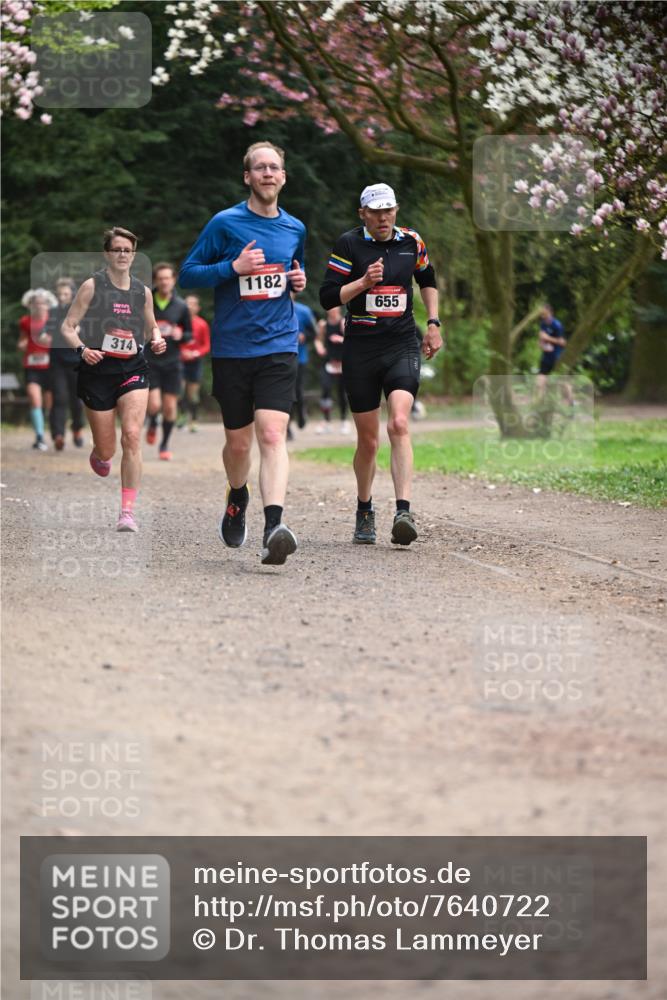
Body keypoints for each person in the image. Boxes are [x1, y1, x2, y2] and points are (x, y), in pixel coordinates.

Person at [179, 141, 306, 566]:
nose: (268, 173)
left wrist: (297, 281)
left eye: (275, 167)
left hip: (279, 345)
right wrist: (231, 269)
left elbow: (293, 271)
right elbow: (188, 274)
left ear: (283, 177)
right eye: (260, 168)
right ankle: (237, 495)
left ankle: (274, 527)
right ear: (247, 177)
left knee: (272, 434)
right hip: (233, 349)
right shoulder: (224, 224)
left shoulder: (295, 229)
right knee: (238, 444)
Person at [319, 182, 443, 546]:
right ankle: (364, 509)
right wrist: (362, 282)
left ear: (396, 211)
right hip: (361, 347)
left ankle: (404, 510)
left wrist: (433, 322)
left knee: (400, 423)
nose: (383, 217)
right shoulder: (348, 244)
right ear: (363, 214)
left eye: (389, 210)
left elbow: (427, 278)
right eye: (375, 211)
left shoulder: (411, 241)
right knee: (369, 441)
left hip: (402, 343)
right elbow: (328, 295)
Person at [60, 227, 166, 532]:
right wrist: (82, 350)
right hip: (97, 372)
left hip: (133, 368)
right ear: (107, 253)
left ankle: (127, 512)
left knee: (132, 436)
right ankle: (99, 453)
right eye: (117, 249)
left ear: (134, 255)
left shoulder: (142, 291)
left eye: (127, 250)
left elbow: (152, 327)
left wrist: (157, 340)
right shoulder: (92, 286)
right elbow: (68, 327)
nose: (122, 255)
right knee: (107, 450)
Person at [145, 263, 192, 459]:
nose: (164, 282)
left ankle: (164, 445)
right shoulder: (146, 302)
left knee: (170, 406)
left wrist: (182, 335)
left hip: (173, 362)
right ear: (156, 281)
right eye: (161, 278)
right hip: (151, 360)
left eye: (168, 278)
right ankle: (153, 421)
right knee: (154, 405)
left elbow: (189, 333)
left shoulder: (181, 306)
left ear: (173, 280)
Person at [47, 277, 85, 451]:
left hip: (77, 362)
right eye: (60, 294)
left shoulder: (80, 311)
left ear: (72, 295)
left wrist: (73, 330)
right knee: (60, 398)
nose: (62, 297)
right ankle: (58, 435)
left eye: (66, 294)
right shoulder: (53, 312)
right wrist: (43, 336)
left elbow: (77, 330)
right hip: (57, 362)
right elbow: (44, 332)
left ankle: (77, 428)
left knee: (77, 401)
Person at [18, 288, 56, 451]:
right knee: (34, 399)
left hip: (51, 367)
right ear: (30, 305)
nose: (39, 306)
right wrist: (22, 345)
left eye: (42, 303)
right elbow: (22, 340)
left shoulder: (54, 321)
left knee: (49, 403)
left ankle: (49, 425)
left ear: (48, 305)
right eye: (35, 303)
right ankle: (39, 436)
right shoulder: (25, 321)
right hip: (32, 366)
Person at [314, 306, 350, 435]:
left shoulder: (343, 323)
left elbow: (351, 340)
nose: (333, 312)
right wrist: (319, 348)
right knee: (325, 389)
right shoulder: (323, 325)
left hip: (342, 364)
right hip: (329, 363)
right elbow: (318, 340)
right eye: (331, 309)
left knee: (343, 394)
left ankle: (344, 421)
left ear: (339, 310)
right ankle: (326, 421)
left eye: (335, 309)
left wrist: (340, 339)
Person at [179, 294, 211, 432]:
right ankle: (181, 416)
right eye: (187, 303)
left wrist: (196, 353)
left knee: (193, 394)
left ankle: (194, 420)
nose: (189, 306)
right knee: (179, 390)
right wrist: (181, 352)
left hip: (195, 362)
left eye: (192, 304)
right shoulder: (178, 323)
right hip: (179, 362)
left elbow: (207, 345)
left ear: (197, 308)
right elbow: (173, 341)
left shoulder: (202, 324)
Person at [289, 291, 317, 437]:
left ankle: (301, 413)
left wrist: (304, 336)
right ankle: (286, 428)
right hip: (280, 359)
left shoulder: (304, 311)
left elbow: (314, 333)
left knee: (298, 391)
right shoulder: (272, 311)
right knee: (285, 394)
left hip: (300, 358)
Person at [537, 303, 573, 405]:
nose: (543, 317)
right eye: (542, 315)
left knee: (563, 383)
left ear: (550, 313)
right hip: (546, 358)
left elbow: (562, 342)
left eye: (545, 314)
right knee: (540, 383)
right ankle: (538, 407)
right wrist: (543, 345)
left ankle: (571, 404)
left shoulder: (557, 325)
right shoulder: (543, 324)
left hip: (557, 358)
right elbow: (541, 341)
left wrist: (547, 338)